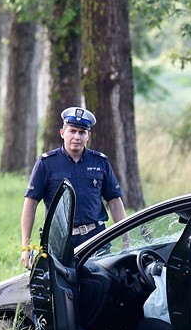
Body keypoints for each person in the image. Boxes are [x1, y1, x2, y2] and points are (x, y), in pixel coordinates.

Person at [20, 106, 127, 268]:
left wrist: (127, 240)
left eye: (82, 132)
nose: (77, 136)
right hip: (60, 241)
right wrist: (26, 246)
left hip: (96, 239)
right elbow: (31, 203)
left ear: (88, 136)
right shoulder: (46, 163)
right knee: (62, 290)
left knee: (99, 287)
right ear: (62, 133)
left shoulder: (100, 162)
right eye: (72, 131)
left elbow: (114, 201)